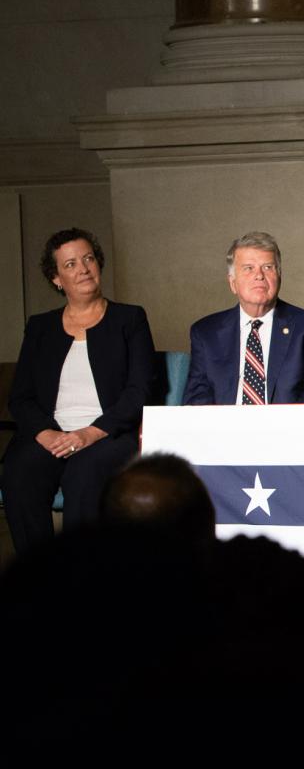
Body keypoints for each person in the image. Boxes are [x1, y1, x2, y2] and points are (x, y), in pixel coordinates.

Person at [1, 228, 155, 553]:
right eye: (70, 264)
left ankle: (80, 579)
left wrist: (90, 433)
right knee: (20, 473)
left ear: (98, 264)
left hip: (106, 435)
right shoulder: (40, 327)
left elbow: (139, 390)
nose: (83, 269)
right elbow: (21, 396)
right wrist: (44, 433)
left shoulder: (130, 318)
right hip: (51, 434)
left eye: (88, 259)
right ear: (57, 278)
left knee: (83, 475)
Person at [183, 231, 304, 405]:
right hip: (225, 430)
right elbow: (196, 401)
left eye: (268, 267)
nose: (259, 275)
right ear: (232, 282)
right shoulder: (205, 333)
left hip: (286, 429)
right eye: (248, 268)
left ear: (279, 276)